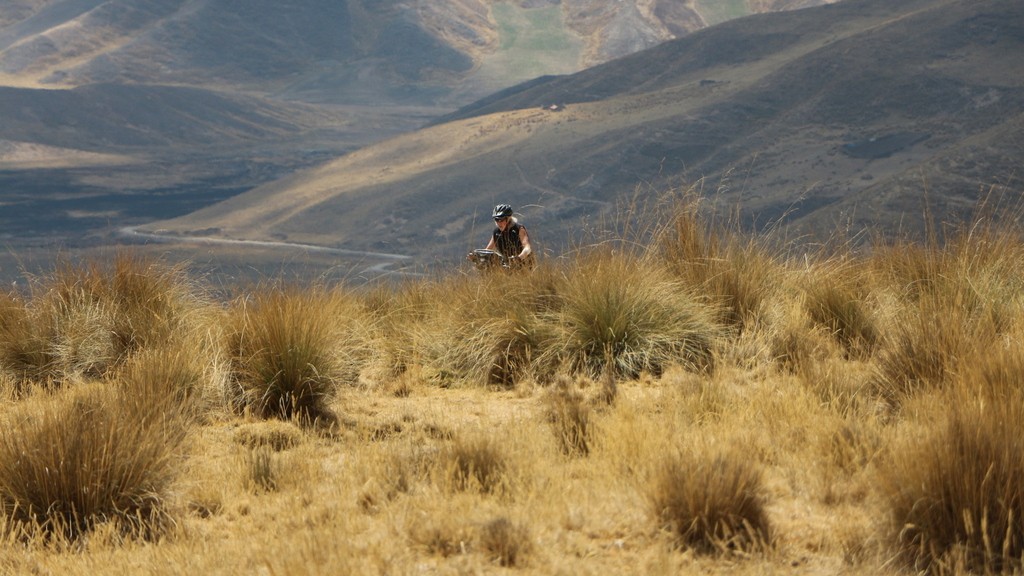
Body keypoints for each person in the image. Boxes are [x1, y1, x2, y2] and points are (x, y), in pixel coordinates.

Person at [469, 203, 534, 270]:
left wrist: (519, 258)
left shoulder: (519, 229)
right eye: (496, 220)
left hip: (524, 266)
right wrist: (476, 257)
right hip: (508, 267)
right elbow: (488, 251)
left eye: (501, 220)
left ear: (508, 218)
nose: (499, 223)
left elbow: (527, 247)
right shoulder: (496, 232)